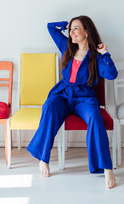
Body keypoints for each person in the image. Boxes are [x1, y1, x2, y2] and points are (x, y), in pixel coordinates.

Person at [26, 15, 118, 189]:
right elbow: (50, 27)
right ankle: (43, 158)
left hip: (84, 96)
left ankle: (106, 167)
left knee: (94, 118)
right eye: (71, 29)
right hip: (63, 92)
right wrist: (67, 24)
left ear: (86, 31)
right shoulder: (66, 46)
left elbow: (111, 75)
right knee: (50, 106)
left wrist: (105, 54)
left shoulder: (96, 55)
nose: (72, 33)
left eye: (76, 28)